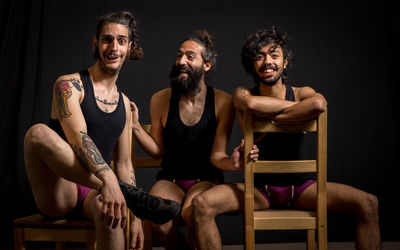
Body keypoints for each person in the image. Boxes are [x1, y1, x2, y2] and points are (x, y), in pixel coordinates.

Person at [192, 27, 381, 250]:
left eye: (274, 55)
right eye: (259, 57)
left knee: (369, 204)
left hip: (302, 188)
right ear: (253, 64)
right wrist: (298, 113)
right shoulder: (244, 93)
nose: (267, 62)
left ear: (286, 62)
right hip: (259, 189)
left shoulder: (302, 92)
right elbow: (251, 105)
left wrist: (271, 116)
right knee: (202, 204)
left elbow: (319, 104)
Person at [23, 11, 180, 250]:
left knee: (112, 212)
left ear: (129, 47)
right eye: (107, 39)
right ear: (96, 43)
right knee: (37, 133)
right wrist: (110, 180)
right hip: (59, 190)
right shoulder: (68, 85)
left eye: (121, 40)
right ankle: (125, 193)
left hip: (97, 192)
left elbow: (125, 164)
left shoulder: (125, 106)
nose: (113, 47)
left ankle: (123, 195)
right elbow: (78, 138)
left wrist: (136, 218)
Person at [130, 30, 258, 249]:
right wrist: (135, 127)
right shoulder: (159, 99)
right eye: (179, 56)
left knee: (193, 213)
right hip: (169, 180)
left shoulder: (222, 102)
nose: (181, 61)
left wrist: (234, 162)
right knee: (157, 218)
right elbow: (157, 151)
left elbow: (217, 156)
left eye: (190, 56)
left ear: (206, 65)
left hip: (205, 180)